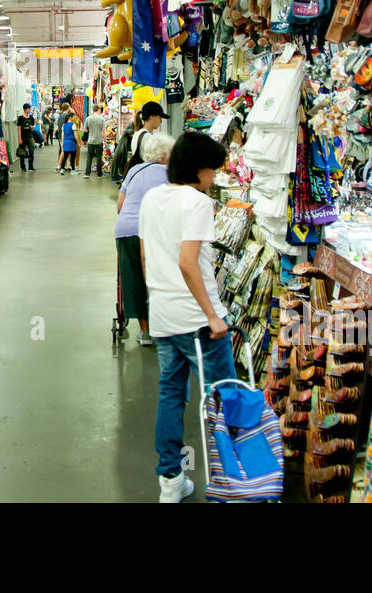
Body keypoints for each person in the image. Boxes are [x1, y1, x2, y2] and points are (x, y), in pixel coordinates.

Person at [137, 131, 232, 503]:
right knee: (223, 397)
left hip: (162, 313)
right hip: (196, 320)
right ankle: (232, 480)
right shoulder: (197, 203)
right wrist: (213, 316)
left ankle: (171, 482)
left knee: (171, 395)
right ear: (200, 169)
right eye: (212, 171)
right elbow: (188, 263)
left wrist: (158, 298)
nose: (213, 179)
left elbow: (147, 259)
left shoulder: (151, 198)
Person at [115, 133, 174, 346]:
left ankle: (145, 331)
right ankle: (165, 325)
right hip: (156, 231)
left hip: (127, 229)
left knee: (134, 279)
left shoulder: (133, 170)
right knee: (161, 276)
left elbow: (120, 206)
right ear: (165, 154)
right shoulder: (171, 173)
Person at [125, 101, 166, 174]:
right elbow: (154, 162)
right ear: (152, 116)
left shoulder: (137, 133)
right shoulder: (148, 137)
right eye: (160, 117)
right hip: (148, 174)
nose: (161, 121)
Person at [82, 104, 107, 178]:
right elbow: (104, 132)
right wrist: (105, 141)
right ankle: (99, 173)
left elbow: (85, 130)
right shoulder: (102, 119)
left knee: (89, 157)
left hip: (90, 141)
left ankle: (87, 173)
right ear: (98, 110)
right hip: (99, 141)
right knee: (99, 157)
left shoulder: (88, 119)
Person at [58, 104, 81, 174]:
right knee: (73, 157)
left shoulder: (64, 125)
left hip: (65, 142)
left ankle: (62, 169)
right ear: (70, 117)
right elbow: (76, 135)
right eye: (73, 117)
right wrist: (78, 142)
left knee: (65, 156)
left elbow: (62, 135)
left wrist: (62, 142)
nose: (74, 118)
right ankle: (73, 170)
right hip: (72, 142)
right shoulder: (73, 125)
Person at [16, 104, 37, 173]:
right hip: (23, 137)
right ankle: (23, 167)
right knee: (22, 153)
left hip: (30, 137)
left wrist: (32, 128)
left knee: (31, 151)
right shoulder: (20, 118)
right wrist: (19, 139)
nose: (29, 110)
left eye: (30, 109)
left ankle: (31, 167)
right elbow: (19, 129)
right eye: (28, 109)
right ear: (25, 109)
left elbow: (33, 127)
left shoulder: (31, 118)